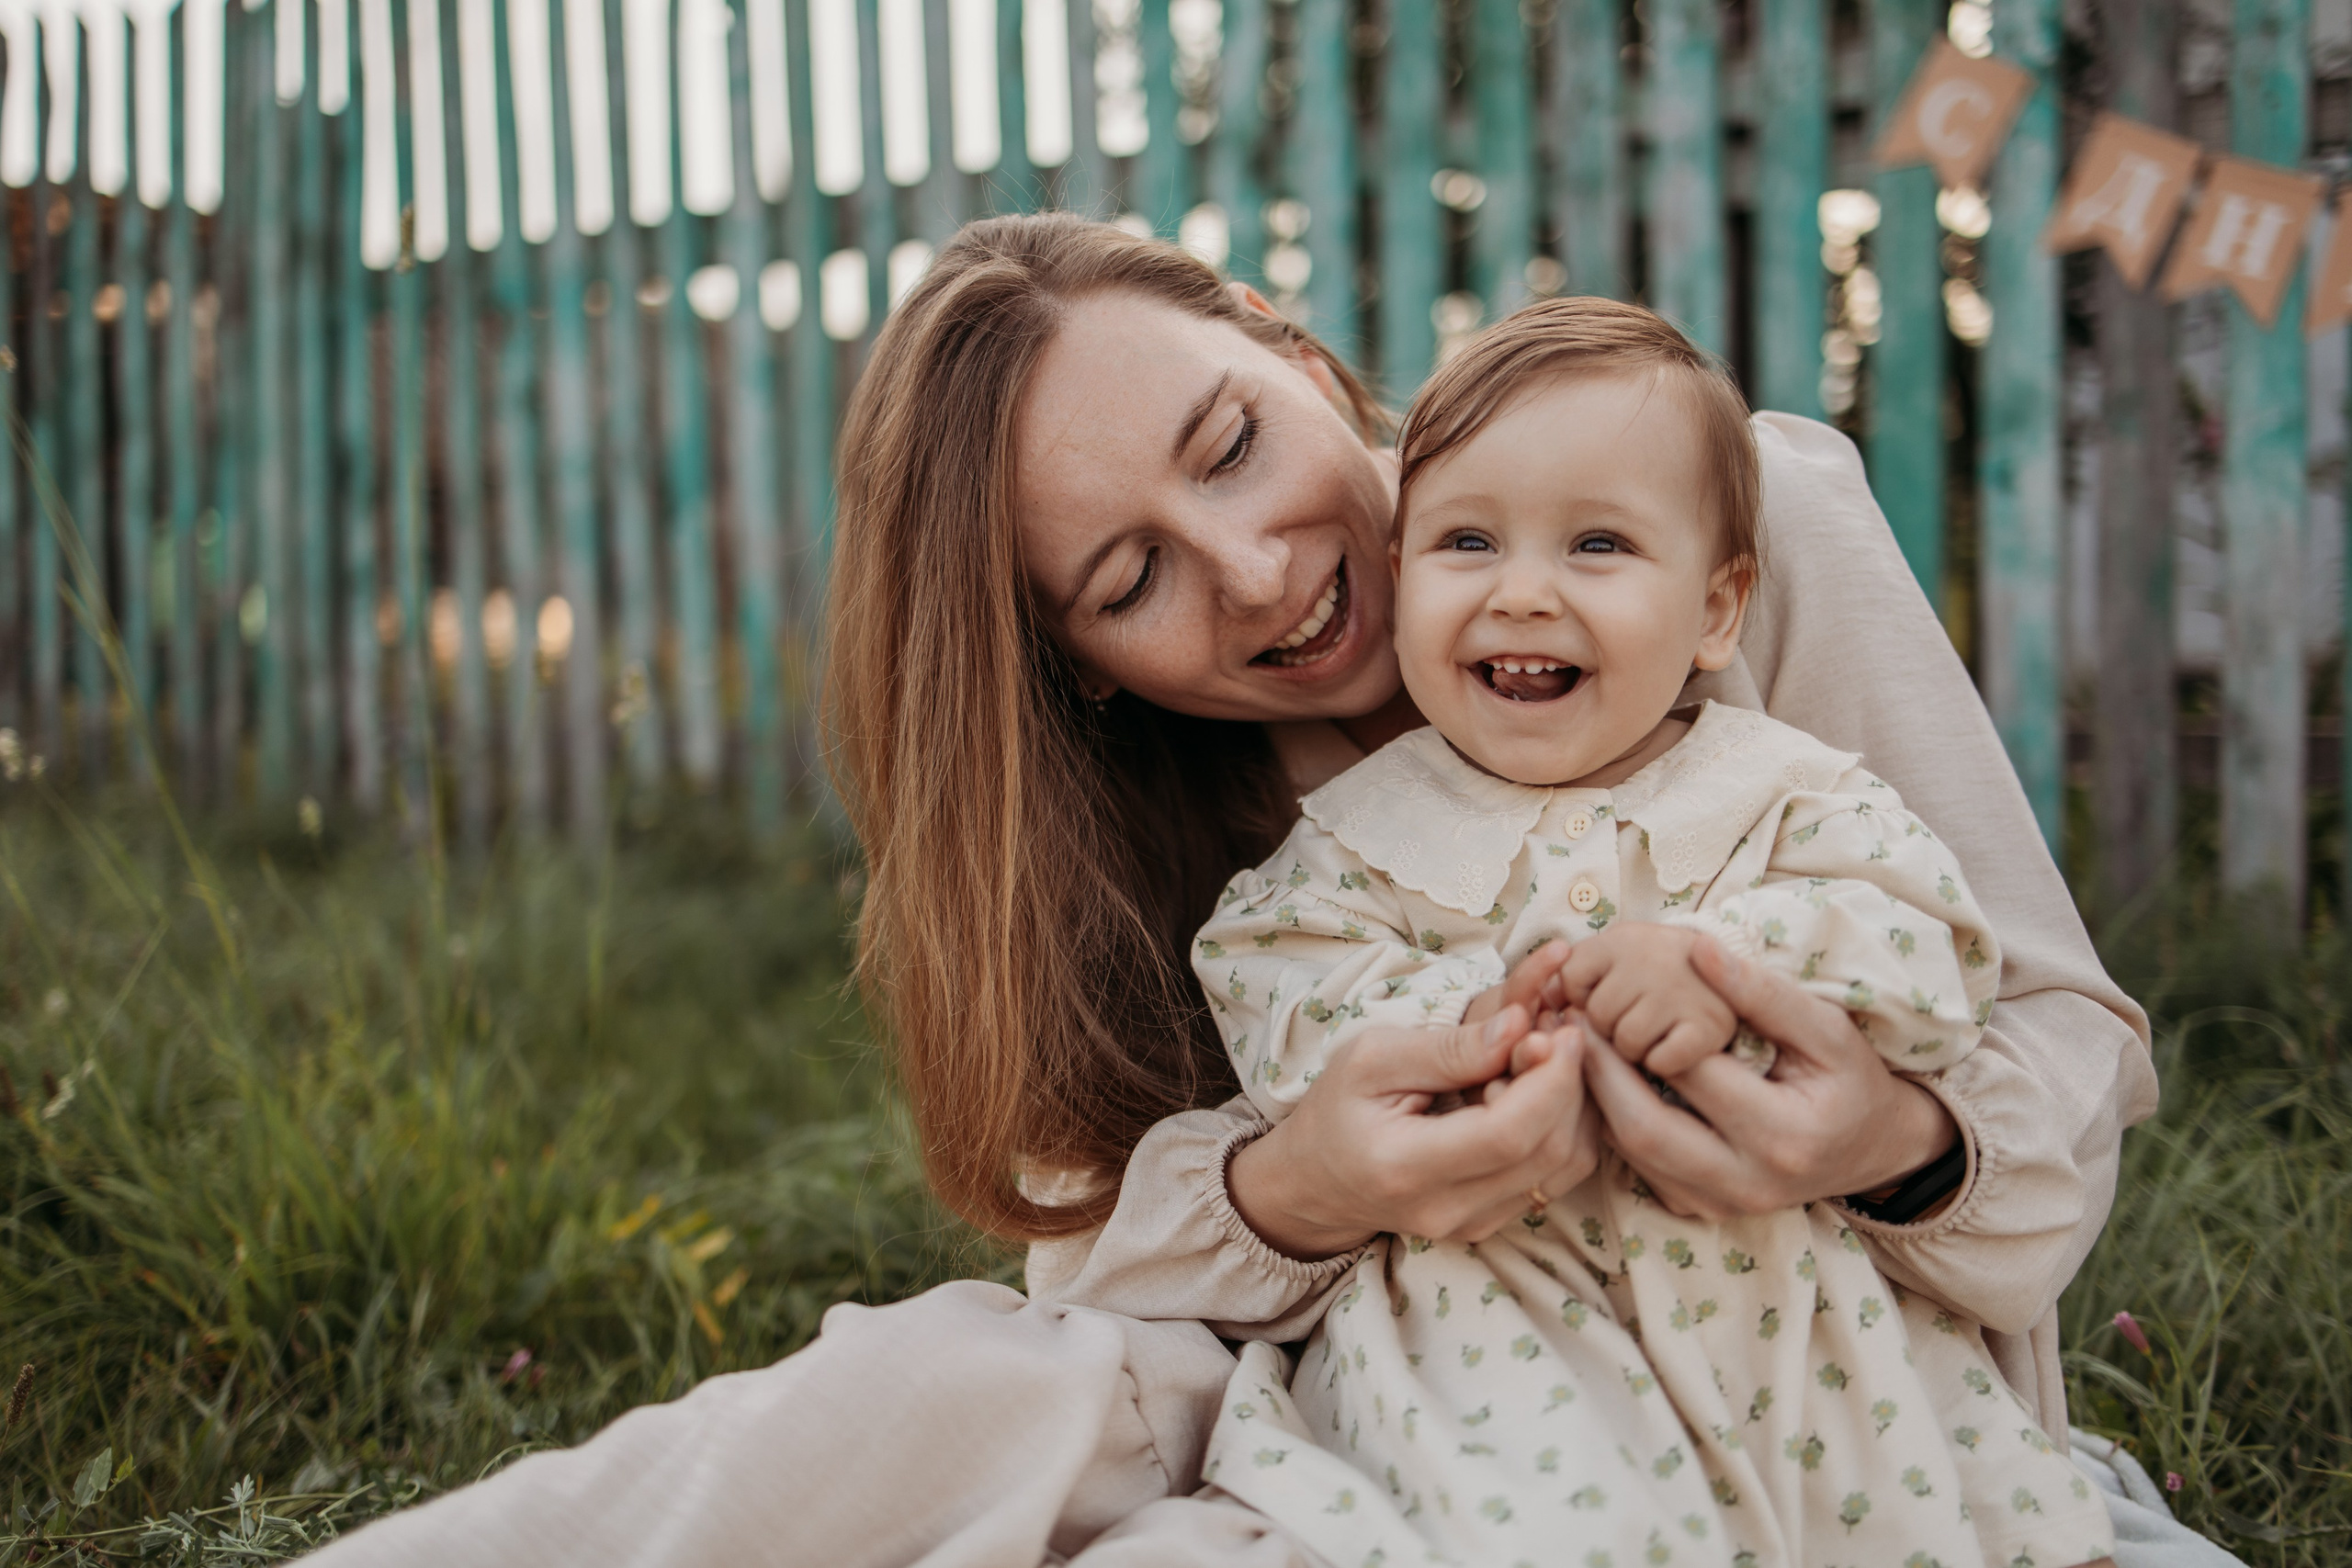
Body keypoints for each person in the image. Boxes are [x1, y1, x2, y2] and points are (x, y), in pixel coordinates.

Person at [303, 214, 2163, 1568]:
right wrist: (1308, 1179)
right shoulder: (1138, 815)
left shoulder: (1718, 509)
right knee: (953, 1381)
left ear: (1286, 345)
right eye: (1130, 577)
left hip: (1811, 1380)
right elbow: (1084, 1256)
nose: (1260, 567)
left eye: (1230, 443)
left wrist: (1886, 1134)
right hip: (1370, 1390)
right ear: (1079, 666)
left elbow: (2050, 1018)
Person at [1183, 296, 2110, 1568]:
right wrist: (1461, 1024)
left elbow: (1928, 940)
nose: (1522, 594)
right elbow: (1276, 982)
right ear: (1404, 577)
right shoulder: (1357, 835)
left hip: (1797, 1330)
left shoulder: (1788, 788)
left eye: (1599, 545)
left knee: (1904, 1526)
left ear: (1719, 609)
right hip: (1503, 1333)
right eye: (1465, 542)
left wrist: (1731, 974)